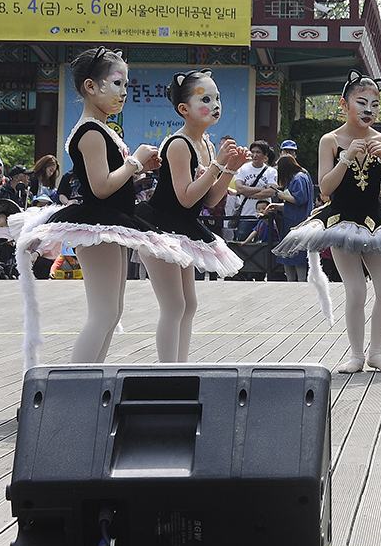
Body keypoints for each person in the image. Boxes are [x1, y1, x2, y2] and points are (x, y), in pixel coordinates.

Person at [13, 48, 175, 368]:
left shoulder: (101, 130)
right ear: (91, 87)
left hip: (111, 222)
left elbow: (111, 180)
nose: (124, 92)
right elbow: (100, 187)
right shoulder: (89, 131)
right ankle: (71, 389)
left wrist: (138, 169)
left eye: (126, 85)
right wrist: (134, 161)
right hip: (97, 224)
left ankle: (89, 382)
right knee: (102, 314)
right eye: (116, 83)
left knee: (111, 313)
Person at [274, 72, 381, 373]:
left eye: (375, 104)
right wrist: (346, 157)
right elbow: (325, 188)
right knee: (356, 290)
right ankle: (355, 354)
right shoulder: (331, 140)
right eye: (361, 102)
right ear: (344, 104)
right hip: (340, 222)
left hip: (377, 222)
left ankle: (376, 353)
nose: (369, 110)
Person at [131, 70, 246, 359]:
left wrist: (229, 167)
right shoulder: (179, 144)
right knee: (174, 306)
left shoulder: (206, 144)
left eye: (217, 97)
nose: (215, 104)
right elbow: (185, 197)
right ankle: (167, 374)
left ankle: (179, 367)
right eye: (206, 99)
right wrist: (219, 164)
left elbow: (210, 199)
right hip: (158, 226)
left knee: (188, 305)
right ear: (184, 109)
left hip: (182, 228)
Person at [270, 153, 315, 281]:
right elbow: (292, 205)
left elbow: (300, 199)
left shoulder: (298, 179)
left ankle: (300, 282)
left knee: (297, 254)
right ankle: (292, 281)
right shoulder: (299, 177)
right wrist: (277, 206)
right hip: (292, 221)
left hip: (297, 224)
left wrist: (282, 196)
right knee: (289, 255)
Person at [228, 141, 277, 241]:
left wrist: (247, 191)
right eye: (253, 152)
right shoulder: (243, 168)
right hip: (246, 215)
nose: (254, 155)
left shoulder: (271, 171)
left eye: (258, 152)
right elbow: (239, 188)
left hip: (265, 216)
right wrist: (261, 190)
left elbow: (271, 192)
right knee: (242, 244)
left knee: (265, 246)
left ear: (265, 155)